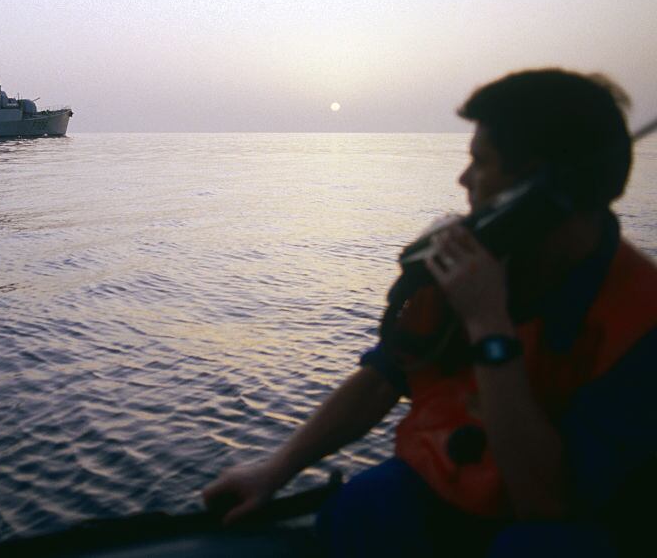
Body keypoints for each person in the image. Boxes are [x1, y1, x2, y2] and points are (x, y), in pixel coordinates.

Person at [202, 69, 657, 557]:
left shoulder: (640, 322)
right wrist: (275, 468)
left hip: (559, 522)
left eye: (480, 163)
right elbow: (384, 376)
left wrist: (488, 324)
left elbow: (545, 503)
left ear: (536, 193)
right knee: (368, 508)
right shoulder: (471, 262)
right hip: (460, 495)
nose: (463, 180)